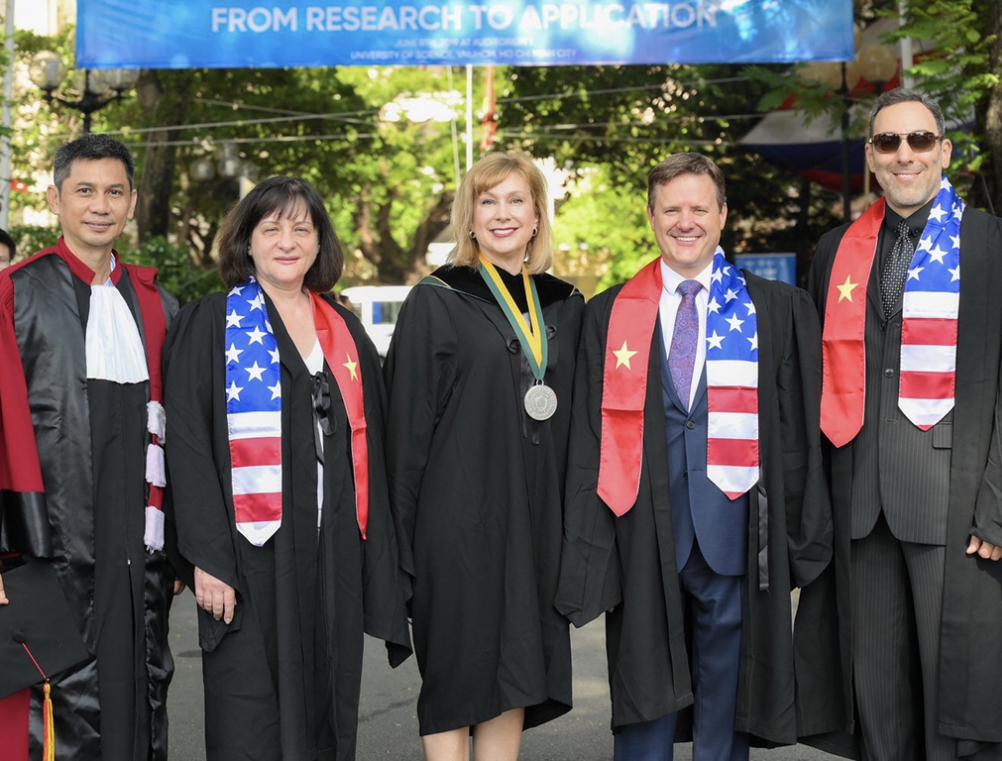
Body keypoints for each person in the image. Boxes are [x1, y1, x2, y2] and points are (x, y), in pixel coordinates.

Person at [555, 152, 831, 760]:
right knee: (645, 684)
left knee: (726, 692)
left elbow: (796, 431)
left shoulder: (775, 309)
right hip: (644, 525)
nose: (686, 221)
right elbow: (587, 438)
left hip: (733, 521)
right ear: (651, 217)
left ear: (722, 214)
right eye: (671, 209)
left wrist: (801, 530)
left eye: (699, 208)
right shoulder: (607, 315)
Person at [796, 88, 1002, 760]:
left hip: (957, 505)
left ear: (943, 151)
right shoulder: (833, 254)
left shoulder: (996, 246)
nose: (904, 154)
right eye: (888, 142)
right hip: (859, 503)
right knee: (876, 701)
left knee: (954, 700)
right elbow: (815, 386)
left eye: (919, 140)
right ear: (870, 156)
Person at [163, 175, 411, 761]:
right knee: (250, 706)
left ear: (320, 242)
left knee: (328, 697)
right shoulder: (213, 323)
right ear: (245, 241)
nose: (287, 240)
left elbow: (374, 442)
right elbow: (190, 445)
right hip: (248, 551)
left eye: (302, 228)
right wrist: (207, 557)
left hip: (331, 548)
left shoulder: (345, 330)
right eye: (271, 227)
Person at [385, 151, 583, 761]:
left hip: (535, 522)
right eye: (487, 201)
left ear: (536, 216)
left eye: (516, 200)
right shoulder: (436, 300)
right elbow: (406, 432)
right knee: (456, 671)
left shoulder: (564, 306)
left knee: (519, 665)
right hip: (456, 523)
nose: (502, 214)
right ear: (468, 218)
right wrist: (402, 543)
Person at [0, 134, 178, 760]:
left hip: (139, 549)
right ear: (55, 199)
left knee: (140, 690)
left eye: (114, 192)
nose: (99, 205)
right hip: (47, 545)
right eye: (84, 191)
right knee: (57, 703)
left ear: (131, 203)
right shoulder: (13, 295)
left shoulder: (158, 304)